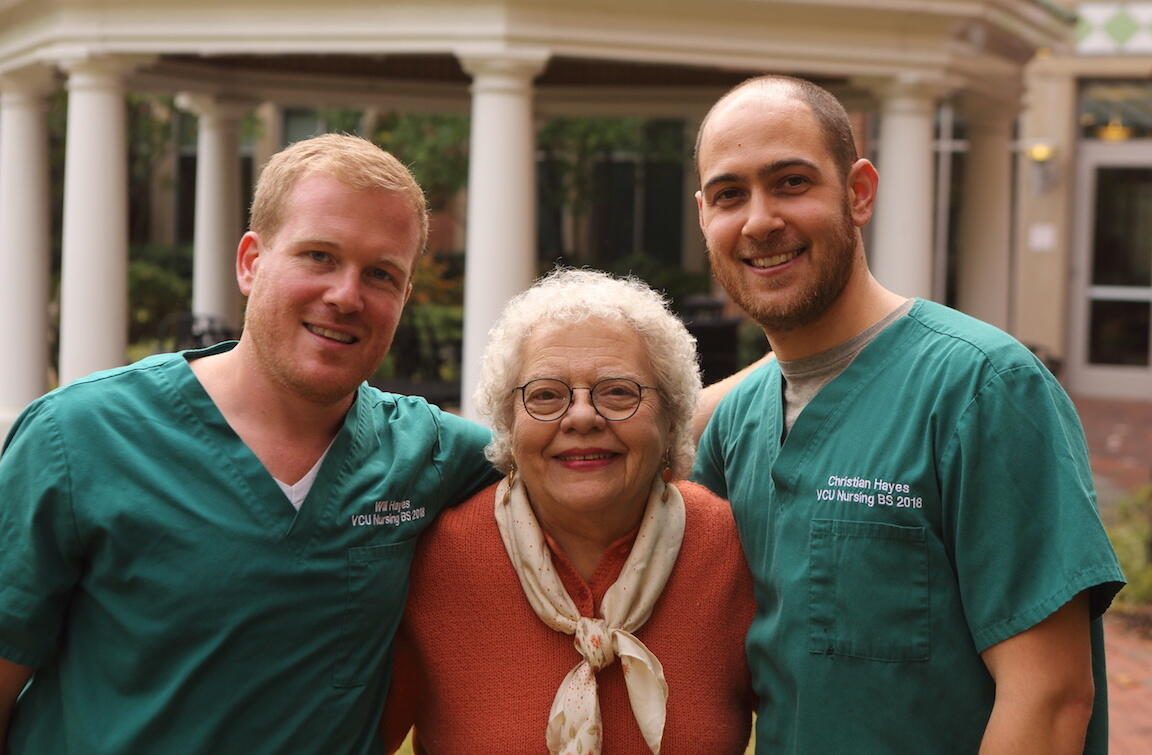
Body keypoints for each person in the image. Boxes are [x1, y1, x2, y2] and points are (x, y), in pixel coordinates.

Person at [0, 134, 497, 754]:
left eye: (381, 274)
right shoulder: (77, 437)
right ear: (250, 262)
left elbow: (579, 476)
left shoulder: (430, 454)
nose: (346, 295)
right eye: (319, 256)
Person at [691, 75, 1126, 753]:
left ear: (859, 193)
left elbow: (1049, 699)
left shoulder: (984, 390)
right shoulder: (737, 423)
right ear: (703, 218)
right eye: (729, 194)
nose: (759, 220)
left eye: (791, 182)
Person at [381, 268, 756, 754]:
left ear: (671, 418)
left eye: (619, 391)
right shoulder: (433, 559)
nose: (581, 416)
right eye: (546, 395)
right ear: (508, 424)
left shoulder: (736, 551)